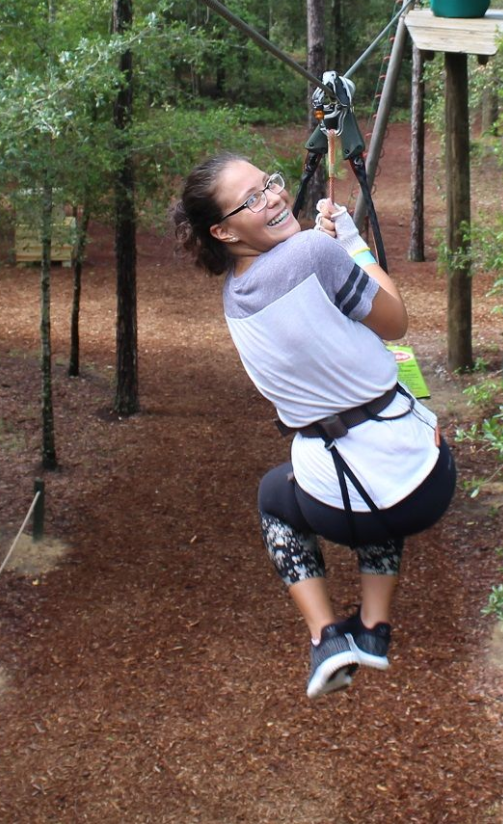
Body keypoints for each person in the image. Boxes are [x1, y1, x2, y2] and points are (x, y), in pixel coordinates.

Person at [172, 153, 455, 698]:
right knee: (382, 478)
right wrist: (350, 243)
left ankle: (326, 636)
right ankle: (373, 625)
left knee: (274, 496)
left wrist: (326, 255)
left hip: (334, 503)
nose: (275, 197)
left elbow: (306, 298)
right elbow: (395, 321)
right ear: (223, 231)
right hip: (424, 483)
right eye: (252, 199)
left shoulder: (235, 298)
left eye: (269, 184)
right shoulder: (313, 251)